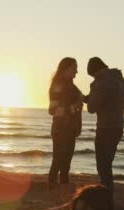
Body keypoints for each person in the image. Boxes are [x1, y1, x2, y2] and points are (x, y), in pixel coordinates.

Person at [85, 57, 124, 210]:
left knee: (103, 167)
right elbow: (111, 101)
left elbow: (92, 107)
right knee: (107, 165)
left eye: (92, 75)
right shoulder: (120, 79)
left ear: (95, 70)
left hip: (105, 127)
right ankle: (107, 201)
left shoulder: (101, 81)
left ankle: (106, 204)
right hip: (118, 126)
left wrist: (91, 92)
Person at [48, 58, 83, 189]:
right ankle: (52, 187)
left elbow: (82, 99)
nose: (76, 72)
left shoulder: (72, 86)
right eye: (74, 68)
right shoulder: (57, 85)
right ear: (66, 69)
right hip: (60, 128)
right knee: (58, 161)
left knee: (66, 162)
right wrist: (74, 107)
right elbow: (52, 110)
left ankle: (62, 186)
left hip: (70, 129)